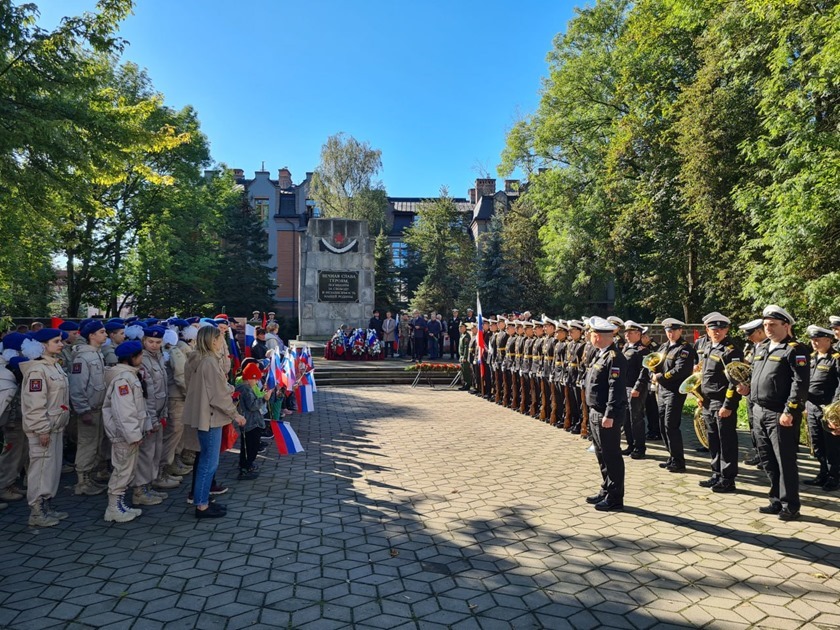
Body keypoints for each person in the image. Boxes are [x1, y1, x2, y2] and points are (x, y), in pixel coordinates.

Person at [737, 305, 808, 521]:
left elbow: (801, 382)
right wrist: (747, 388)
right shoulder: (762, 347)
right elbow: (755, 374)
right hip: (758, 410)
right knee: (767, 459)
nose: (768, 329)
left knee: (784, 460)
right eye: (765, 325)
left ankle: (791, 505)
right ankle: (776, 499)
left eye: (773, 325)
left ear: (786, 325)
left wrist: (790, 410)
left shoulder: (795, 349)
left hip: (780, 413)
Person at [184, 325, 245, 518]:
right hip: (210, 416)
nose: (222, 342)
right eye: (220, 338)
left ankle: (202, 499)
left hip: (204, 414)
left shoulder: (199, 359)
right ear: (213, 341)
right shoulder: (209, 362)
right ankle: (201, 505)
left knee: (206, 460)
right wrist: (236, 415)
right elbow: (217, 395)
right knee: (209, 462)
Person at [20, 329, 71, 527]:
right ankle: (37, 511)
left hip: (55, 427)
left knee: (50, 470)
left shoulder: (53, 366)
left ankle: (47, 506)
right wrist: (41, 429)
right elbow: (35, 404)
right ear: (42, 345)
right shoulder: (37, 370)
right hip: (44, 429)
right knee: (41, 470)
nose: (61, 344)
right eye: (56, 341)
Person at [583, 317, 628, 511]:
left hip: (606, 414)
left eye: (592, 334)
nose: (590, 337)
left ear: (600, 336)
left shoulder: (615, 358)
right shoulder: (600, 354)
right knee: (601, 455)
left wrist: (609, 414)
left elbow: (615, 389)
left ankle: (615, 497)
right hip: (596, 412)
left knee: (611, 456)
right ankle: (607, 488)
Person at [696, 312, 743, 493]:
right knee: (713, 440)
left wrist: (728, 405)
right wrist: (701, 397)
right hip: (708, 402)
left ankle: (728, 478)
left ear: (727, 330)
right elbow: (705, 376)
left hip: (722, 402)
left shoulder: (731, 351)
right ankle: (716, 473)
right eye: (713, 329)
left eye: (721, 329)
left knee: (726, 441)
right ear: (707, 330)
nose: (717, 332)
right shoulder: (708, 347)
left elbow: (736, 380)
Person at [101, 340, 146, 523]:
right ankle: (113, 508)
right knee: (122, 470)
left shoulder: (129, 376)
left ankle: (119, 504)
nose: (142, 359)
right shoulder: (123, 379)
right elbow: (124, 411)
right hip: (124, 435)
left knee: (127, 470)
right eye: (140, 355)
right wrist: (133, 434)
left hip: (127, 433)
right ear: (132, 358)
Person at [69, 320, 109, 496]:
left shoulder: (97, 354)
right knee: (87, 445)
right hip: (89, 409)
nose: (105, 334)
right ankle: (82, 482)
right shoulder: (83, 357)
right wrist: (83, 409)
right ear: (91, 335)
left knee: (96, 445)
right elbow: (77, 386)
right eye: (101, 332)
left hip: (99, 408)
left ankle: (90, 477)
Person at [651, 318, 696, 473]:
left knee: (671, 425)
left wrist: (661, 377)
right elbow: (656, 362)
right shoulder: (664, 346)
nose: (670, 334)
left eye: (673, 331)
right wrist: (653, 371)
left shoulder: (685, 349)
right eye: (668, 331)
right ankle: (671, 456)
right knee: (663, 426)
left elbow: (680, 370)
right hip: (662, 391)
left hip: (674, 391)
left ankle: (679, 461)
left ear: (680, 331)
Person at [804, 325, 840, 491]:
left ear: (829, 339)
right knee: (817, 443)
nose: (814, 343)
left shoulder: (836, 358)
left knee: (832, 444)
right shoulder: (811, 358)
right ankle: (823, 473)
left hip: (828, 408)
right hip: (811, 407)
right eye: (812, 340)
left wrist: (834, 408)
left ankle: (834, 477)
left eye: (818, 339)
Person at [739, 319, 766, 467]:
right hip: (751, 393)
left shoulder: (768, 347)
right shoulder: (754, 347)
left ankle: (766, 456)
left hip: (763, 395)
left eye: (751, 334)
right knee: (753, 425)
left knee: (762, 428)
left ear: (760, 332)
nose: (749, 338)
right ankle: (759, 453)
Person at [621, 321, 650, 459]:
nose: (626, 335)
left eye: (630, 333)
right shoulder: (626, 347)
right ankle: (630, 445)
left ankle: (640, 447)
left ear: (638, 334)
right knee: (626, 418)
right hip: (624, 387)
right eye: (626, 332)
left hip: (635, 389)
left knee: (636, 418)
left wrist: (637, 387)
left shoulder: (642, 350)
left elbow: (644, 371)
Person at [235, 362, 269, 479]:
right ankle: (246, 467)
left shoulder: (245, 387)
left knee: (247, 446)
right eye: (256, 379)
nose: (256, 382)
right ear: (250, 378)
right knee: (251, 446)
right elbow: (252, 406)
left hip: (249, 421)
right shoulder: (246, 389)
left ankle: (246, 465)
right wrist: (264, 399)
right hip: (251, 422)